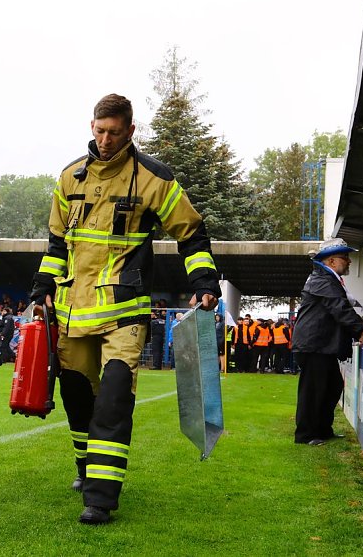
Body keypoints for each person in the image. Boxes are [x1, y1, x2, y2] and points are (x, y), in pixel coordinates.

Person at [30, 93, 220, 525]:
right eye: (99, 130)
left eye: (114, 132)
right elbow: (57, 244)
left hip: (124, 312)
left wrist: (204, 281)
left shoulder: (154, 178)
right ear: (91, 126)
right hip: (73, 311)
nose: (105, 139)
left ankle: (101, 498)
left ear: (131, 131)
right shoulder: (68, 177)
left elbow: (191, 233)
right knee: (77, 398)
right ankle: (85, 467)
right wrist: (42, 284)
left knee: (115, 397)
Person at [292, 238, 363, 446]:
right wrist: (361, 329)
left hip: (319, 344)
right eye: (345, 257)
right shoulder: (323, 280)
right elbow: (339, 308)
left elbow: (338, 309)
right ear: (331, 261)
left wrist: (357, 331)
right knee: (314, 390)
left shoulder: (326, 279)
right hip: (314, 345)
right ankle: (306, 435)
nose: (349, 261)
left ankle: (321, 430)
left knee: (332, 386)